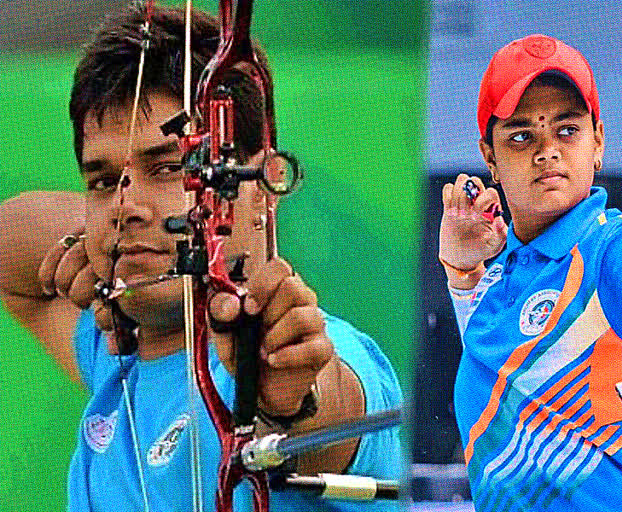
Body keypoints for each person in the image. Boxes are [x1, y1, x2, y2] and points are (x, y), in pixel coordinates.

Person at [0, 3, 401, 511]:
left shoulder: (314, 351)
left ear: (262, 186)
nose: (126, 206)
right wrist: (90, 243)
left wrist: (286, 403)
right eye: (104, 182)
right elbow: (9, 235)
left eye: (170, 169)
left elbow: (328, 406)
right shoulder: (115, 350)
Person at [437, 34, 622, 512]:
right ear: (488, 156)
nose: (547, 151)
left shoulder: (616, 246)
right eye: (521, 136)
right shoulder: (501, 280)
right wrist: (463, 274)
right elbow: (509, 382)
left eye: (567, 130)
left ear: (598, 141)